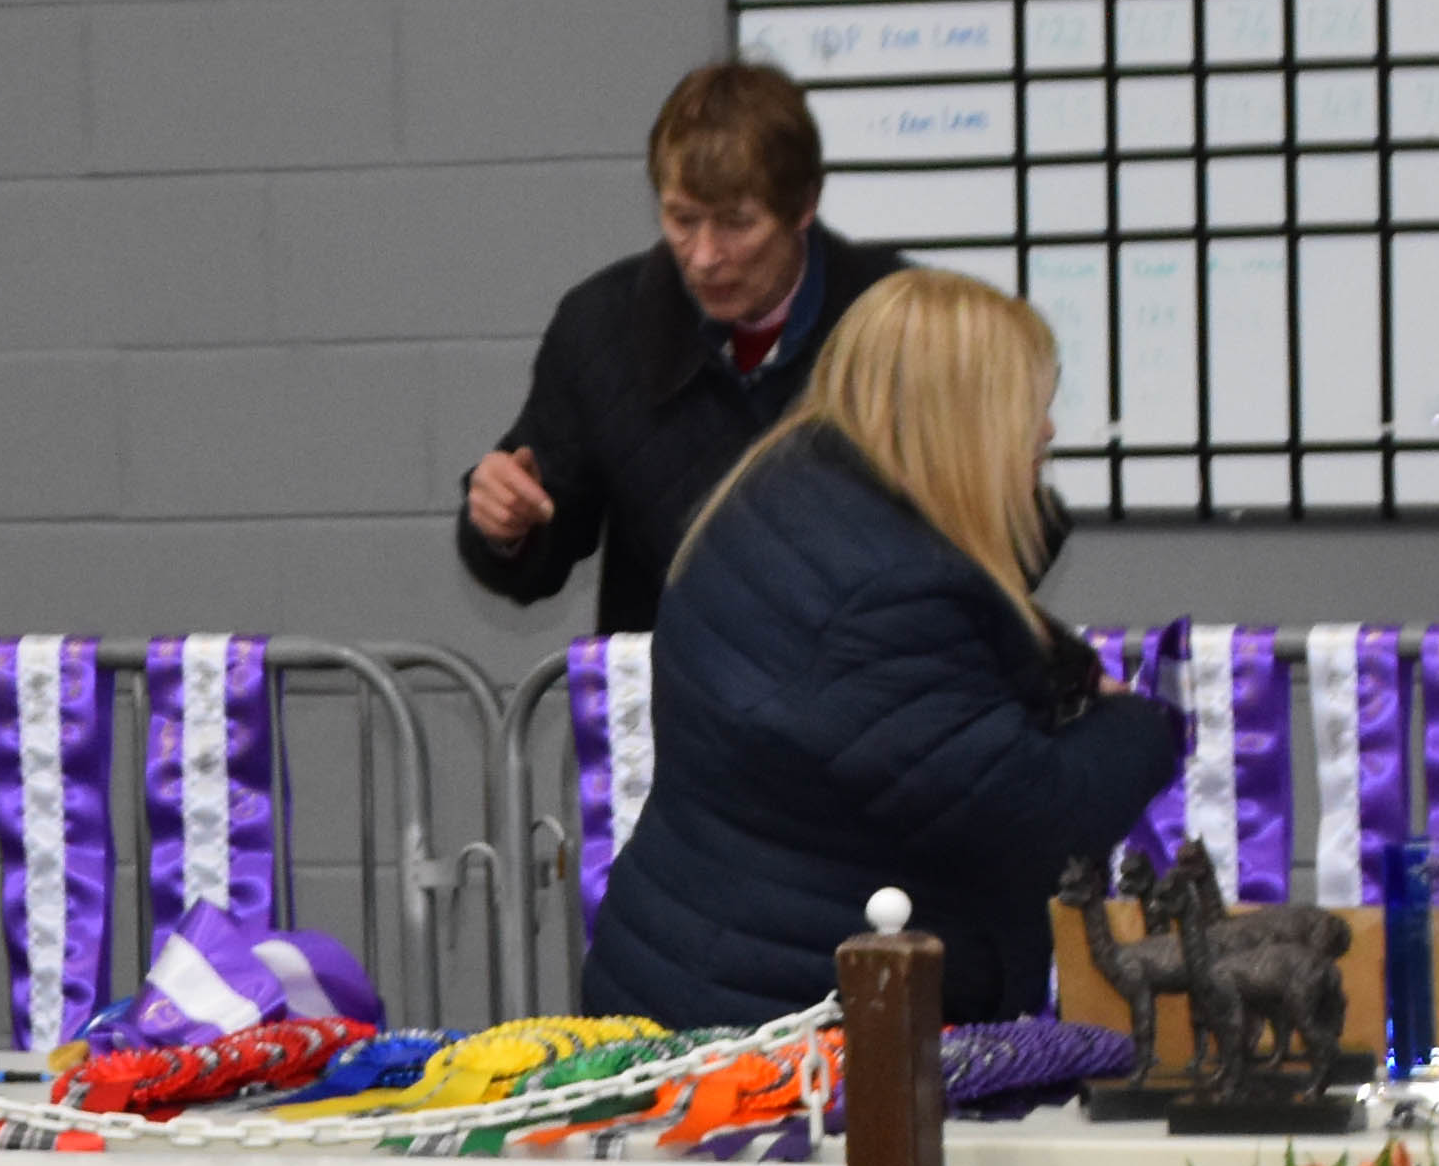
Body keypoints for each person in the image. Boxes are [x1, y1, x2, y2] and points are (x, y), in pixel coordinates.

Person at [578, 272, 1182, 1031]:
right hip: (789, 1028)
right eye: (1031, 408)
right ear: (961, 419)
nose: (1046, 433)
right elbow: (1035, 822)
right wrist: (1139, 725)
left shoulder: (791, 484)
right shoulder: (892, 595)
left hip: (704, 970)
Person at [458, 60, 908, 636]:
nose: (704, 256)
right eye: (682, 219)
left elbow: (992, 536)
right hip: (673, 685)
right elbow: (541, 539)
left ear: (803, 207)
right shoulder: (600, 327)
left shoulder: (900, 323)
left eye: (736, 223)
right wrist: (503, 525)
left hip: (863, 677)